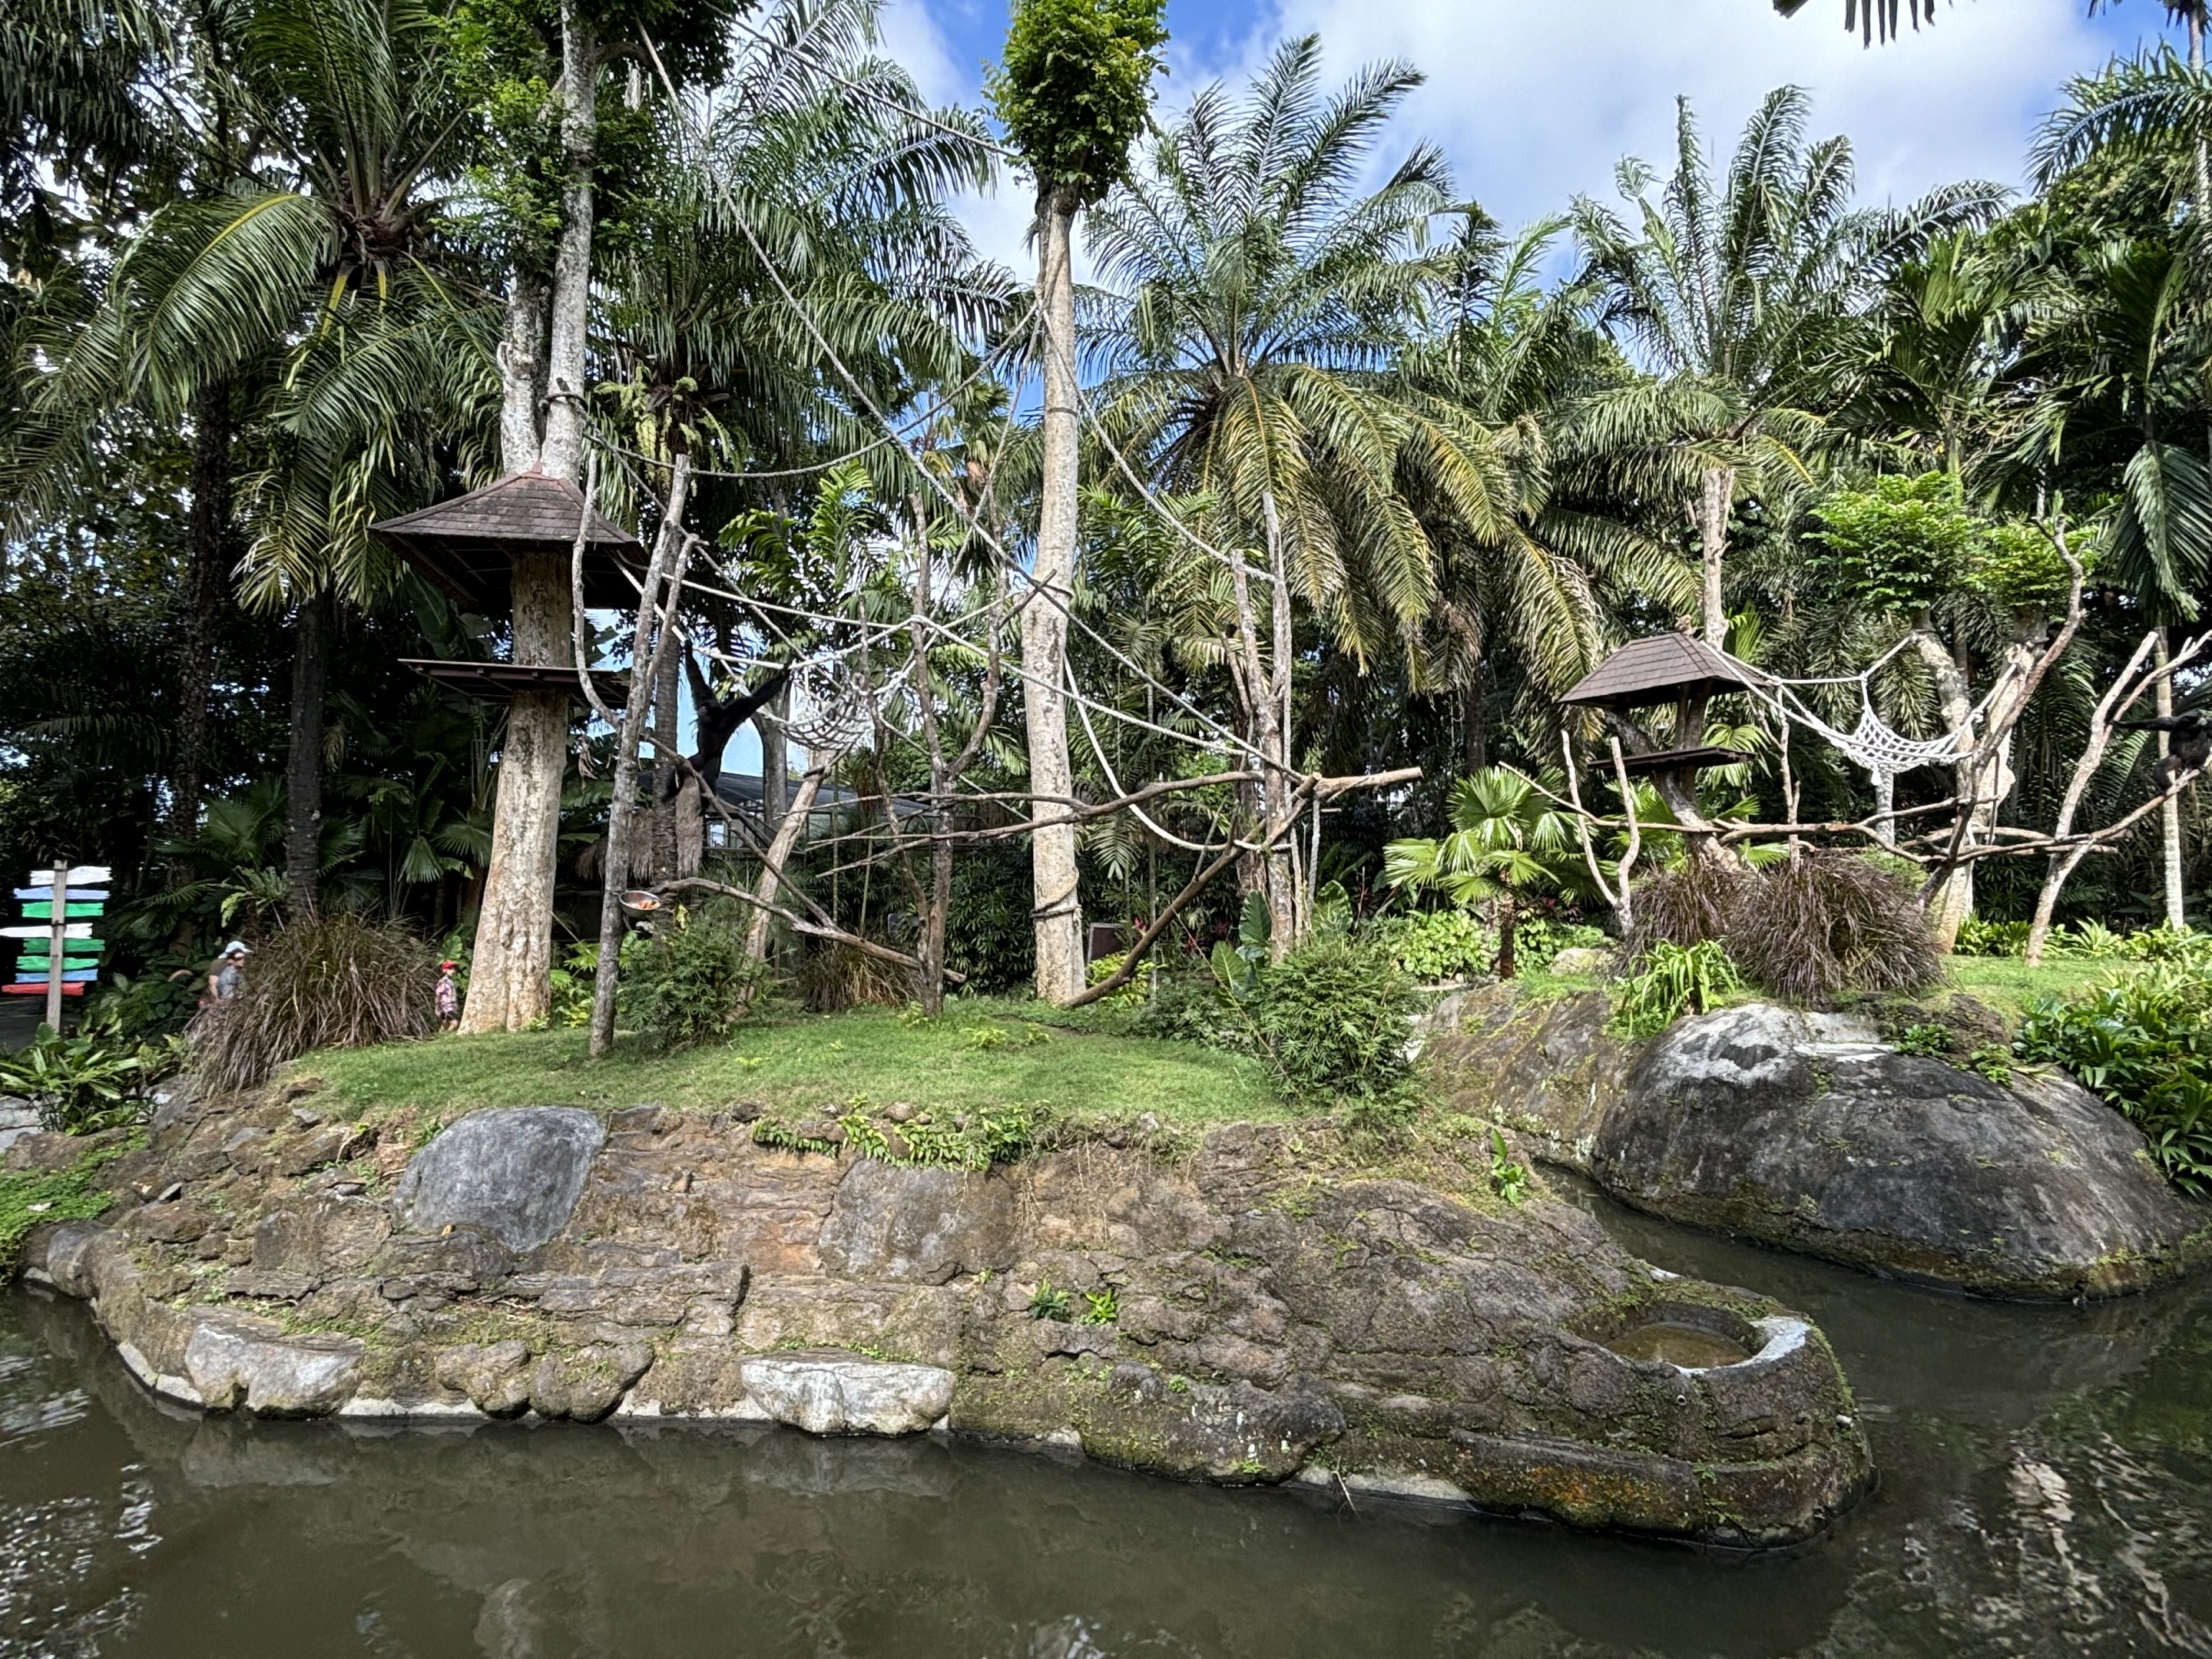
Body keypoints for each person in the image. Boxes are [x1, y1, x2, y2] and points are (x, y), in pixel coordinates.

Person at [205, 941, 249, 1005]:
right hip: (223, 997)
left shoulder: (237, 964)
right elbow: (212, 983)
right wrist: (216, 1001)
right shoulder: (219, 963)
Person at [435, 959, 461, 1031]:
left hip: (451, 1006)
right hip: (446, 1007)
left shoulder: (450, 981)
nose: (453, 971)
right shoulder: (444, 982)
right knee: (455, 1023)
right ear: (445, 970)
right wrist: (437, 1007)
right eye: (450, 969)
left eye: (453, 969)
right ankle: (447, 1034)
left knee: (444, 1024)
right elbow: (438, 994)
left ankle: (441, 1035)